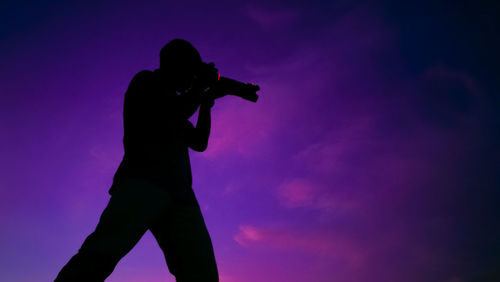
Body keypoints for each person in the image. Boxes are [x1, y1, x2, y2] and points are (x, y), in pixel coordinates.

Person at [55, 39, 223, 282]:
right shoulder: (146, 83)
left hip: (180, 195)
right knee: (100, 256)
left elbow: (199, 141)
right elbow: (179, 109)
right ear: (176, 66)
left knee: (202, 273)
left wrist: (206, 104)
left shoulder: (175, 103)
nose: (192, 79)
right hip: (141, 184)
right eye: (191, 72)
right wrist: (200, 87)